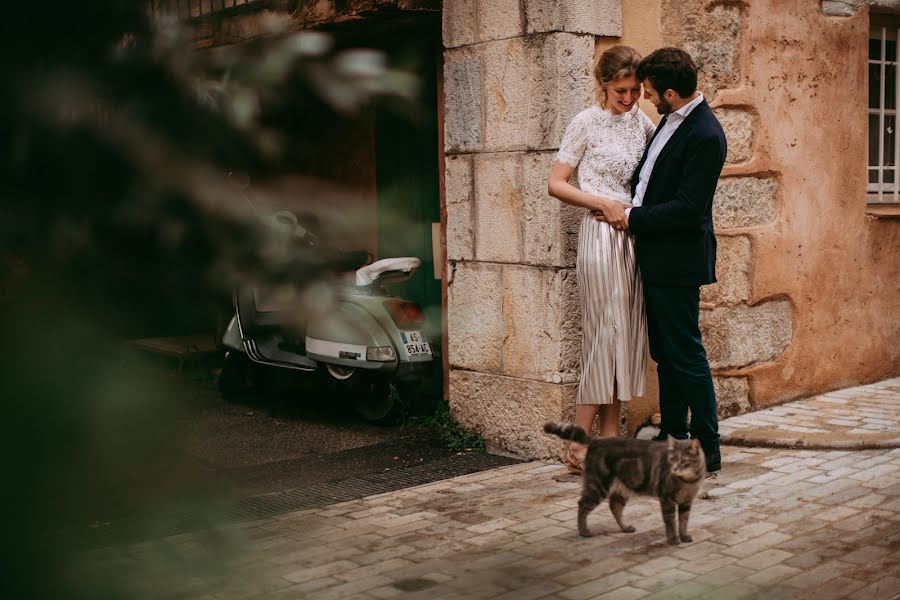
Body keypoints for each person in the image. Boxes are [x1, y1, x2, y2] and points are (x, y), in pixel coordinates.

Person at [547, 45, 656, 474]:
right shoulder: (585, 122)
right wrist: (601, 203)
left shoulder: (641, 124)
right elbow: (556, 183)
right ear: (603, 85)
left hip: (631, 237)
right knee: (603, 335)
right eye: (621, 91)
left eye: (634, 90)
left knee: (623, 336)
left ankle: (610, 438)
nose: (628, 99)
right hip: (599, 234)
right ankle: (578, 443)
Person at [622, 47, 727, 473]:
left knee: (685, 353)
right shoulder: (671, 118)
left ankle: (708, 444)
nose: (644, 98)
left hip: (678, 258)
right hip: (655, 254)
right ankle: (674, 433)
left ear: (669, 92)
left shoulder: (706, 134)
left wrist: (630, 217)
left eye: (649, 92)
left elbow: (688, 209)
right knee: (666, 352)